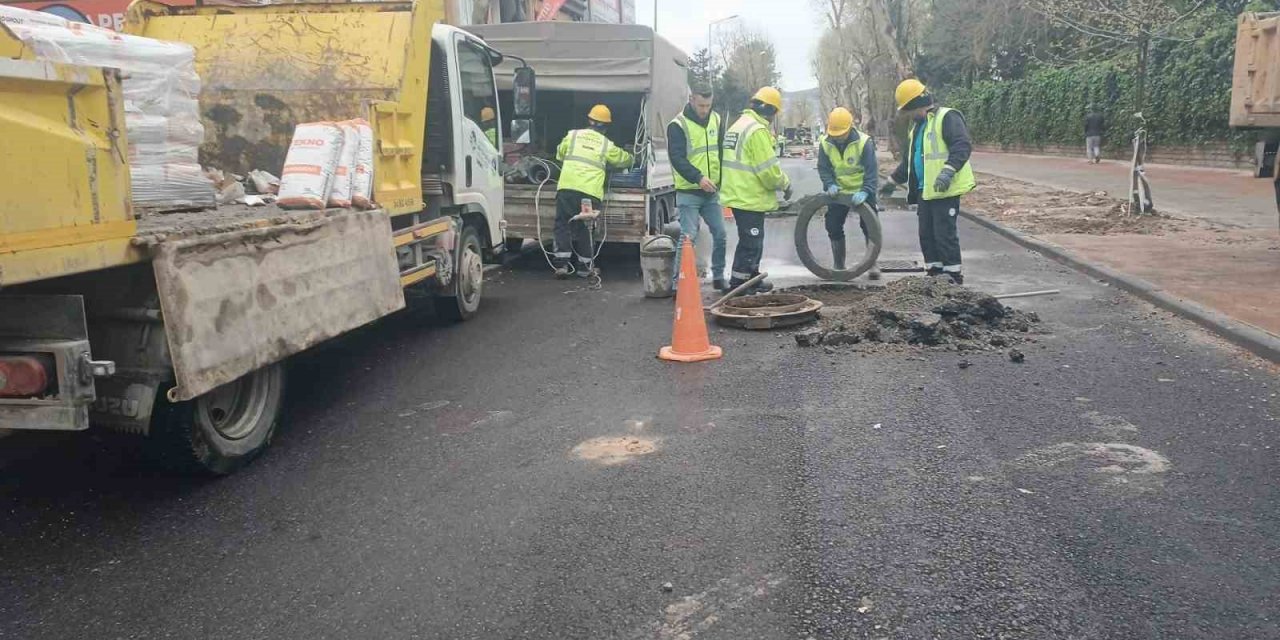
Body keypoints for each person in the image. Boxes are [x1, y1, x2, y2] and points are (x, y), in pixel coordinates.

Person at [880, 79, 976, 285]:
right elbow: (910, 162)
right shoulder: (917, 128)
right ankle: (934, 277)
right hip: (925, 191)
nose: (907, 115)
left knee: (945, 235)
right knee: (927, 236)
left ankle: (952, 279)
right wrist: (892, 181)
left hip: (946, 189)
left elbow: (962, 146)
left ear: (917, 104)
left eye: (908, 110)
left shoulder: (947, 117)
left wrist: (947, 172)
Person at [721, 86, 792, 293]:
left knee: (753, 239)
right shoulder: (757, 131)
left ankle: (752, 277)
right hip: (748, 195)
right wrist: (785, 184)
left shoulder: (738, 125)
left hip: (738, 192)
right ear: (771, 111)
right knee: (751, 242)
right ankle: (739, 284)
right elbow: (769, 172)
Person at [553, 104, 634, 278]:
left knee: (562, 225)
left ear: (589, 120)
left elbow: (559, 154)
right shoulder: (606, 144)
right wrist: (633, 156)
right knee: (586, 228)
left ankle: (561, 266)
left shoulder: (572, 135)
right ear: (606, 127)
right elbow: (622, 160)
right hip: (589, 192)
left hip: (567, 187)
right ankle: (584, 268)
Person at [668, 85, 728, 291]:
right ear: (692, 99)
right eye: (701, 105)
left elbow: (721, 151)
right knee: (688, 237)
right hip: (689, 191)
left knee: (720, 233)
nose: (704, 110)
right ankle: (678, 283)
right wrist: (698, 177)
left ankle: (719, 276)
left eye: (708, 105)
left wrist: (721, 181)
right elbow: (677, 158)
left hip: (711, 192)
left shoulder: (717, 119)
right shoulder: (678, 125)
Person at [817, 106, 880, 278]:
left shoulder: (864, 142)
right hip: (839, 192)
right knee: (833, 225)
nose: (837, 138)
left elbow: (871, 171)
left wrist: (866, 191)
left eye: (840, 135)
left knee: (869, 226)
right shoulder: (825, 143)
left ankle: (872, 263)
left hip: (862, 191)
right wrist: (829, 184)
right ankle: (839, 264)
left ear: (850, 128)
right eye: (834, 135)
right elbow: (823, 168)